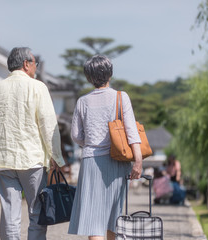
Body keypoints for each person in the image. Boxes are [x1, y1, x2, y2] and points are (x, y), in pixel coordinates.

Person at [0, 47, 65, 240]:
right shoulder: (38, 87)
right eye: (35, 64)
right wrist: (55, 155)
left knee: (9, 214)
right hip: (32, 160)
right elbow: (49, 125)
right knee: (37, 212)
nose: (36, 68)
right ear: (26, 64)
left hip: (4, 158)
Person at [68, 55, 142, 240]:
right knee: (114, 217)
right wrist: (138, 161)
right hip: (117, 161)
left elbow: (76, 135)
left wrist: (90, 143)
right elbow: (132, 132)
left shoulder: (82, 102)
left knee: (94, 220)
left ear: (89, 77)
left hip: (91, 161)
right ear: (110, 73)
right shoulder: (121, 97)